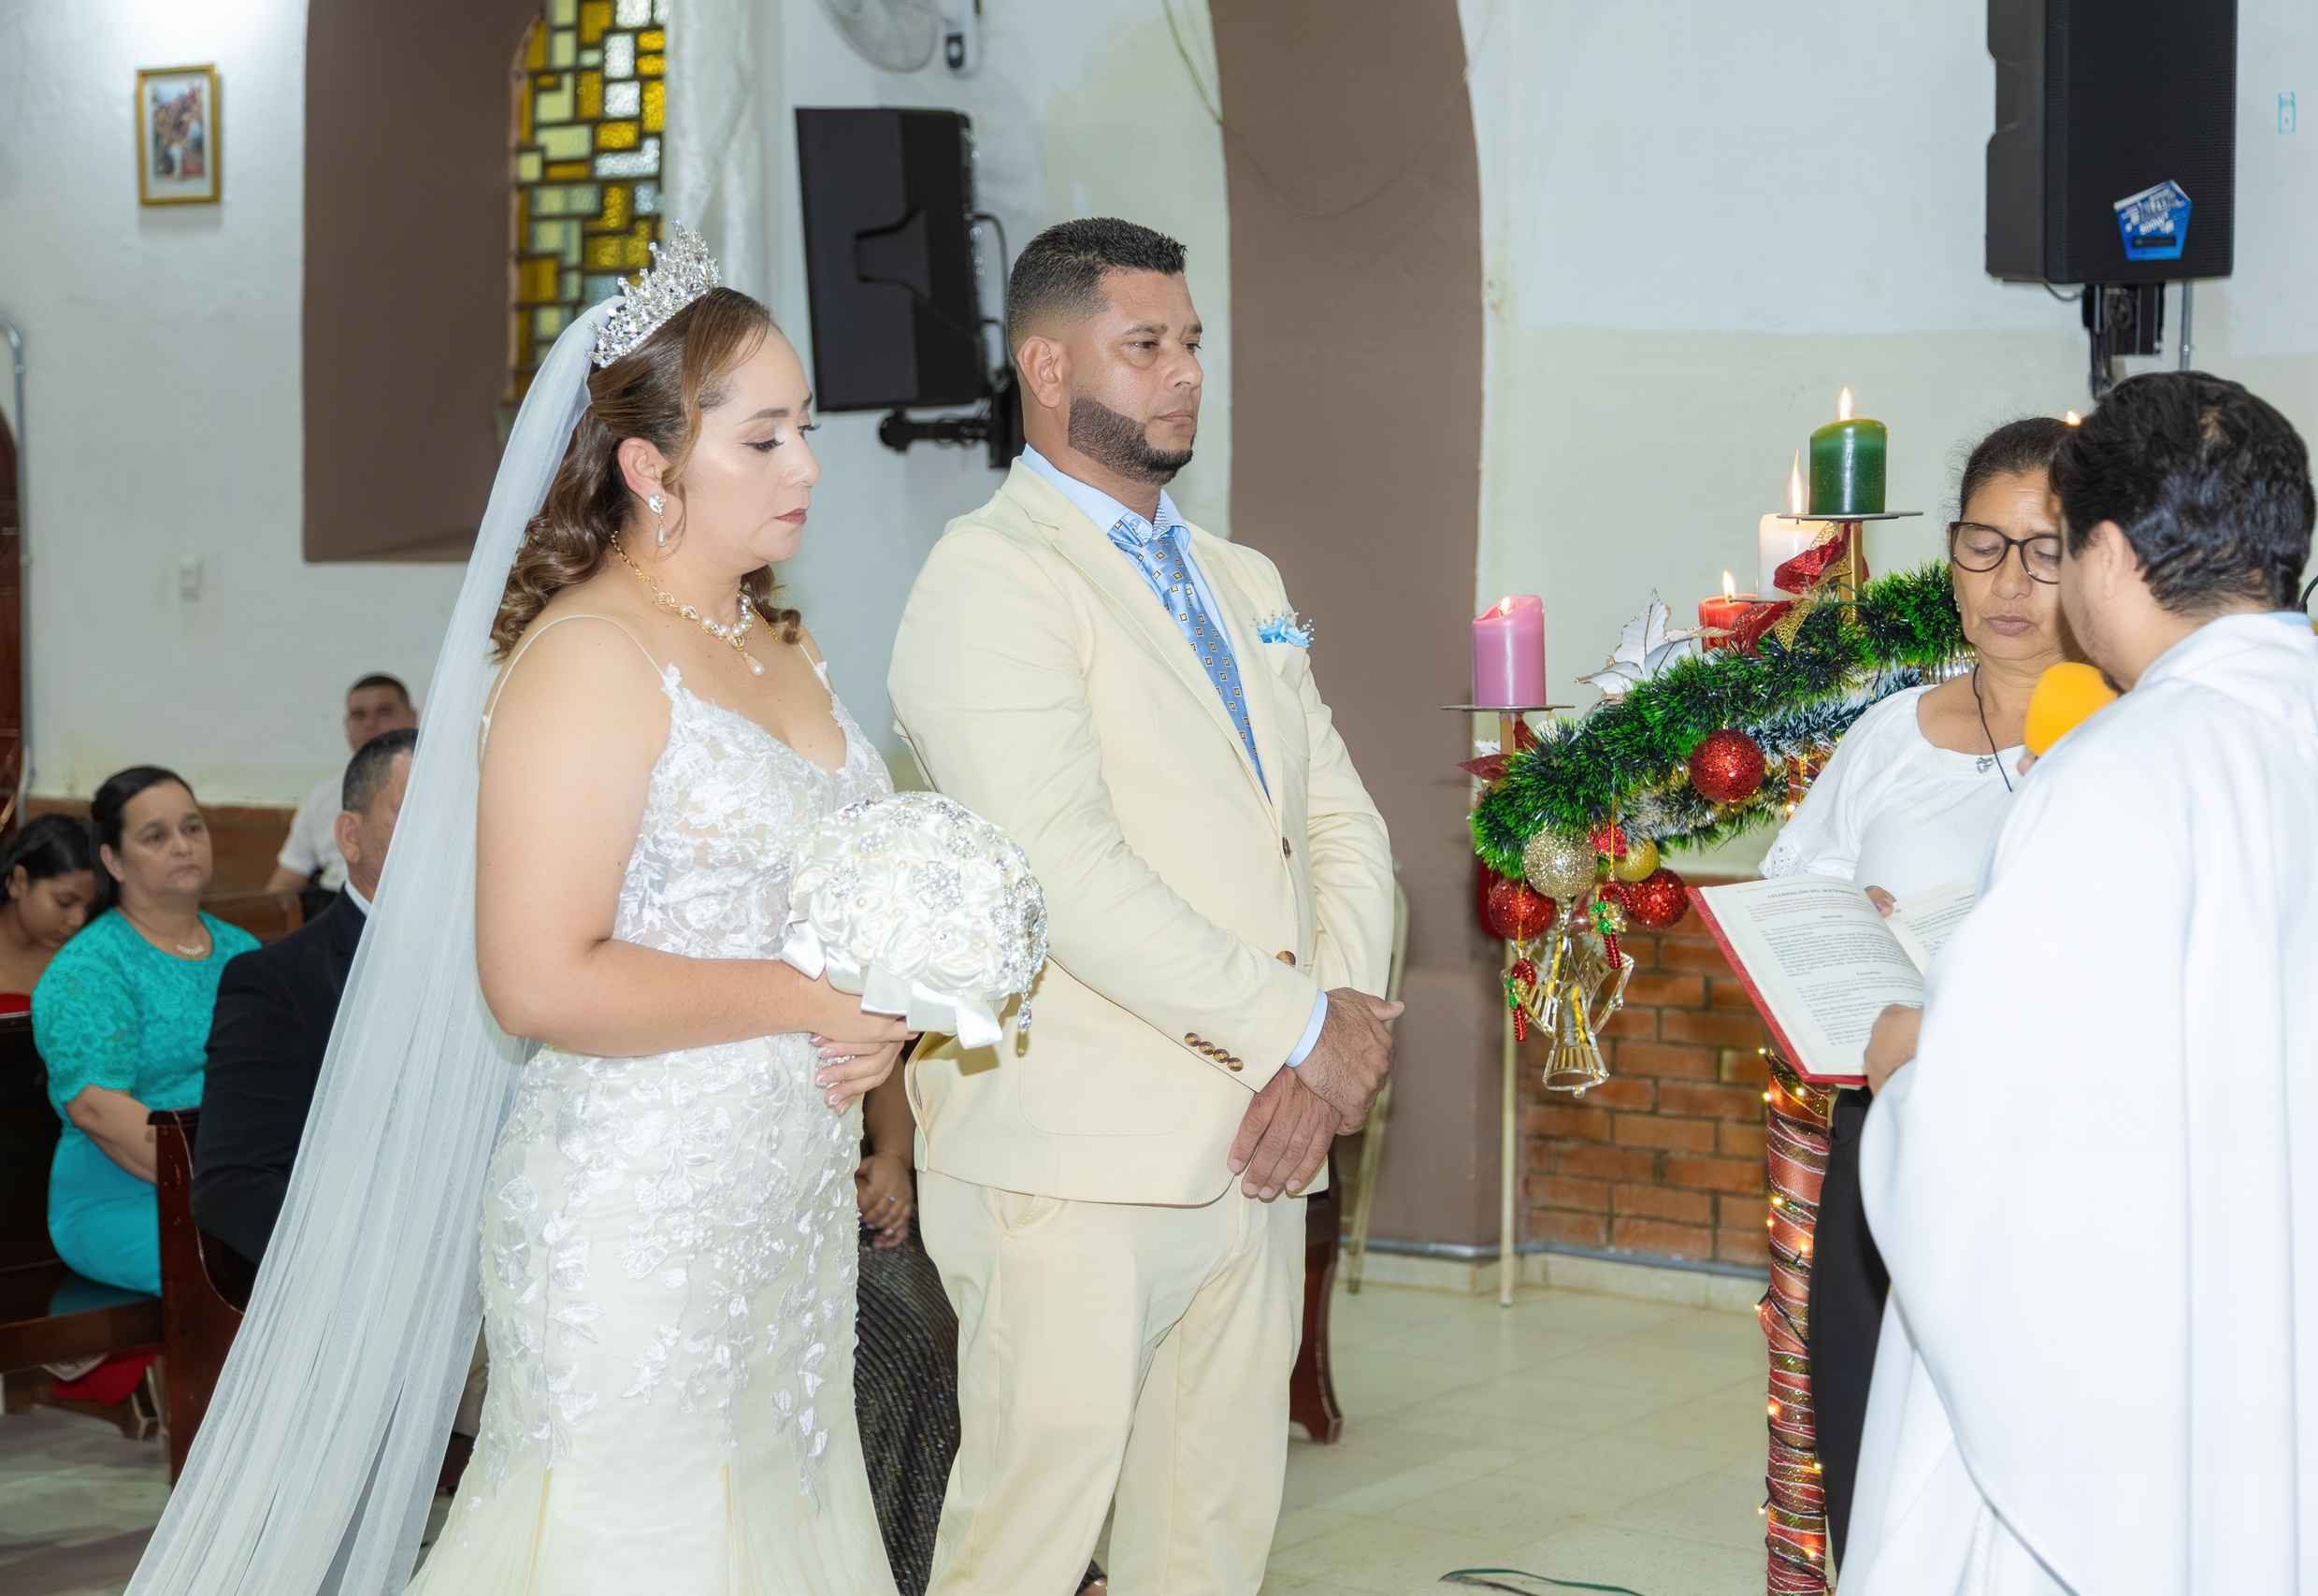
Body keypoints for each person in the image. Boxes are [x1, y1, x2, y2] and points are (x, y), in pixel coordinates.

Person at [123, 231, 907, 1596]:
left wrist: (887, 1019)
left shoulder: (785, 640)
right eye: (767, 437)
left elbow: (832, 900)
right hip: (638, 1211)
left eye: (807, 430)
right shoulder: (587, 655)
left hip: (784, 1197)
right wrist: (807, 997)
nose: (808, 466)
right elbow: (537, 979)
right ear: (652, 465)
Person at [888, 217, 1401, 1596]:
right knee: (1025, 1542)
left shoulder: (1247, 580)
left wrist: (1330, 1041)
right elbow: (1061, 867)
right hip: (1076, 1151)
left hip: (1260, 1139)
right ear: (1047, 367)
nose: (1183, 374)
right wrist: (1303, 1022)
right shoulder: (987, 580)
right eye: (1146, 345)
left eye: (1191, 344)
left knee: (1209, 1543)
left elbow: (1339, 823)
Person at [1839, 372, 2318, 1593]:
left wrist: (1912, 1064)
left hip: (2151, 1381)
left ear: (2107, 552)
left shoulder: (2124, 769)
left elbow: (2007, 1141)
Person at [1758, 415, 2071, 1559]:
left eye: (2045, 549)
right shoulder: (1890, 733)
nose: (2009, 582)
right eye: (1982, 546)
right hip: (1878, 1130)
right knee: (1866, 1447)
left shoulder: (2130, 737)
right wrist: (1848, 927)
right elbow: (1793, 895)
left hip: (2045, 1153)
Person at [850, 1077, 1109, 1596]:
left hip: (860, 1220)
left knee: (976, 1337)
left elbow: (885, 1078)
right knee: (904, 1356)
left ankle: (1026, 1565)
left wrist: (895, 1157)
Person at [194, 727, 414, 1294]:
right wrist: (372, 1272)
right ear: (349, 836)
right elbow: (234, 1185)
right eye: (413, 812)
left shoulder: (509, 962)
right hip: (363, 1278)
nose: (443, 837)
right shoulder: (279, 982)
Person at [36, 766, 258, 1298]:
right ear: (112, 860)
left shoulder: (243, 952)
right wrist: (233, 1181)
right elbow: (98, 1110)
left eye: (193, 828)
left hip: (238, 1179)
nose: (182, 846)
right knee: (269, 1264)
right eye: (156, 836)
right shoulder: (89, 969)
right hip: (118, 1198)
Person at [264, 673, 416, 902]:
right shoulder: (323, 796)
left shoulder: (440, 787)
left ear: (412, 717)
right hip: (336, 910)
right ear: (347, 724)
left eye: (384, 711)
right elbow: (285, 883)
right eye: (359, 715)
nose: (370, 724)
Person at [0, 813, 97, 1009]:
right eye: (65, 902)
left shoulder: (84, 962)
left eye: (90, 907)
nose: (78, 920)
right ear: (20, 881)